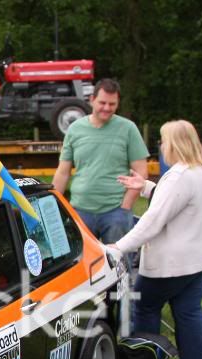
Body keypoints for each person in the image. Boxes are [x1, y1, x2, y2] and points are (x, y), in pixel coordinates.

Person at [108, 120, 202, 359]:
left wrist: (118, 247)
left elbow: (152, 222)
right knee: (188, 310)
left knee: (145, 306)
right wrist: (146, 187)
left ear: (174, 144)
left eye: (163, 140)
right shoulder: (201, 168)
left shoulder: (178, 176)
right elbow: (178, 201)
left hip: (175, 263)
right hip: (201, 259)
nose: (160, 146)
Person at [53, 78, 149, 245]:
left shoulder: (128, 129)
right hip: (80, 211)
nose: (106, 108)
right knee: (82, 267)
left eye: (112, 104)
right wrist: (53, 203)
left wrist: (125, 206)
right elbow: (63, 171)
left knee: (119, 265)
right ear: (92, 100)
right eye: (102, 103)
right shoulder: (75, 129)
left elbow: (141, 172)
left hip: (115, 213)